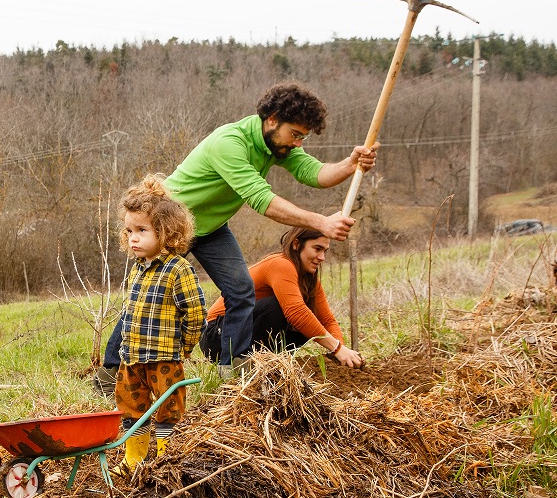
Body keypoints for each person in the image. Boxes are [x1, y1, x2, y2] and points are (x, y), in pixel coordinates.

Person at [95, 83, 378, 389]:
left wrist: (350, 165)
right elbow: (261, 198)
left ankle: (233, 367)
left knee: (241, 290)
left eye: (303, 137)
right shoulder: (230, 142)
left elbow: (314, 173)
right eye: (295, 134)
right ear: (272, 120)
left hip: (211, 227)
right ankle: (110, 374)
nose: (298, 143)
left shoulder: (276, 146)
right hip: (171, 223)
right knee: (150, 297)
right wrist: (321, 222)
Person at [111, 175, 207, 473]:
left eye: (141, 230)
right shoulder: (138, 270)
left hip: (164, 356)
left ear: (166, 233)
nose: (133, 238)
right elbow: (130, 314)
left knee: (168, 410)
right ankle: (134, 460)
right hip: (132, 358)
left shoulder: (178, 269)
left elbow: (195, 312)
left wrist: (186, 347)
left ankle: (167, 459)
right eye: (129, 231)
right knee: (131, 408)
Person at [200, 227, 363, 368]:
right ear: (296, 244)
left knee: (309, 323)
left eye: (325, 251)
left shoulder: (309, 279)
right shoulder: (281, 264)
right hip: (219, 336)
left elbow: (327, 320)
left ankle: (268, 365)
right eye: (317, 249)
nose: (322, 257)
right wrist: (337, 349)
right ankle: (246, 365)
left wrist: (343, 352)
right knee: (278, 308)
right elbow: (296, 313)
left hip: (246, 333)